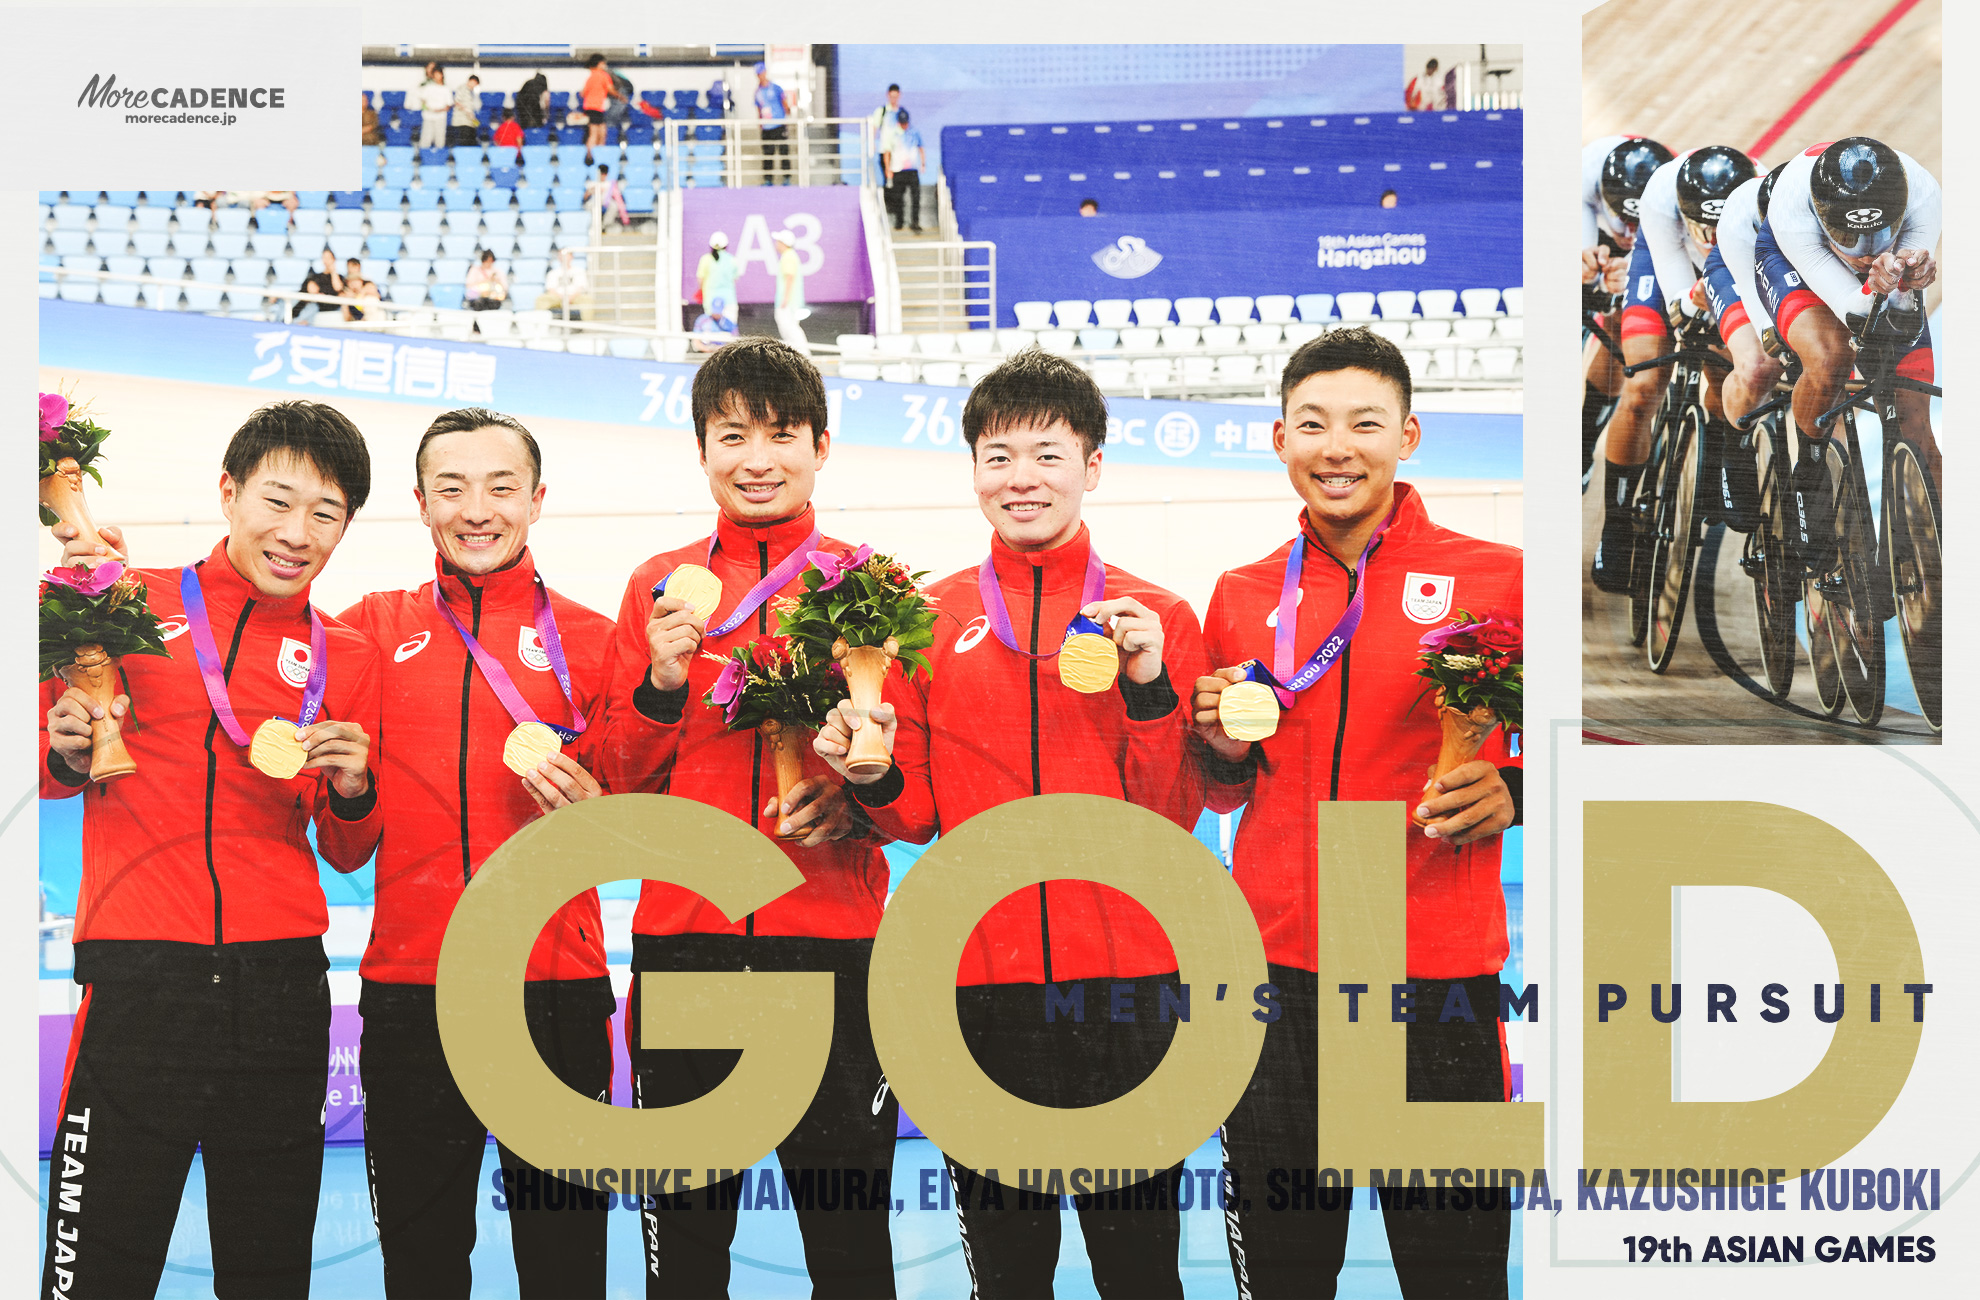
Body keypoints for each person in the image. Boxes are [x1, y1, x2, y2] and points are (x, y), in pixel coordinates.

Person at [815, 347, 1207, 1300]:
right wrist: (870, 775)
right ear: (973, 470)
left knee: (1141, 1268)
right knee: (1007, 1269)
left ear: (1094, 465)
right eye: (998, 456)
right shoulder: (928, 617)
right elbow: (913, 820)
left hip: (1129, 985)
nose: (1020, 479)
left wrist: (1151, 687)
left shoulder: (1155, 617)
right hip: (977, 985)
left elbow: (1173, 815)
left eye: (1047, 454)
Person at [1190, 328, 1522, 1298]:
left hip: (1435, 969)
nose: (1340, 447)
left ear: (1409, 434)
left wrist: (1521, 793)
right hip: (1277, 973)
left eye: (1365, 423)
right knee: (1285, 1275)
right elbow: (1224, 790)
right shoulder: (1243, 594)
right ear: (1280, 440)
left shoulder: (1498, 576)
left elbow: (1587, 750)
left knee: (1456, 1275)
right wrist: (1220, 745)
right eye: (1314, 424)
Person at [40, 401, 382, 1298]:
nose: (296, 533)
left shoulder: (345, 653)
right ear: (227, 494)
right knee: (96, 1267)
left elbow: (348, 851)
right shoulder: (118, 603)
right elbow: (47, 768)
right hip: (138, 977)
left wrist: (356, 790)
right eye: (277, 501)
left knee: (268, 1272)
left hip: (281, 988)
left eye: (326, 513)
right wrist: (62, 749)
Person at [602, 337, 898, 1298]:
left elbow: (916, 796)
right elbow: (616, 779)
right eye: (733, 435)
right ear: (701, 450)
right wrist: (659, 681)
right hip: (687, 948)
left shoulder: (871, 587)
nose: (757, 458)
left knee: (850, 1253)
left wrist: (857, 796)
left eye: (780, 435)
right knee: (685, 1259)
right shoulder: (657, 587)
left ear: (821, 446)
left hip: (834, 949)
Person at [334, 408, 624, 1299]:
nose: (477, 509)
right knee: (420, 1268)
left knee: (566, 1266)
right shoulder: (369, 631)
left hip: (556, 997)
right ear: (420, 505)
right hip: (414, 995)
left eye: (501, 487)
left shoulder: (593, 637)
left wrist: (597, 817)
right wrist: (352, 791)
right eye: (451, 489)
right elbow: (345, 850)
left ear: (537, 500)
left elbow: (625, 835)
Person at [1754, 136, 1939, 572]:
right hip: (1800, 261)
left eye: (1880, 232)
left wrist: (1911, 280)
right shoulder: (1793, 211)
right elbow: (1855, 312)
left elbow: (1900, 317)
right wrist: (1875, 285)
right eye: (1849, 235)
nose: (1865, 248)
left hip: (1882, 277)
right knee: (1833, 355)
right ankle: (1810, 471)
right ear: (1823, 216)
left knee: (1914, 424)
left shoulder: (1925, 195)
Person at [1590, 145, 1756, 593]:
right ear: (1685, 213)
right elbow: (1679, 298)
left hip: (1733, 265)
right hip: (1664, 263)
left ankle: (1721, 455)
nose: (1709, 236)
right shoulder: (1661, 196)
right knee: (1643, 385)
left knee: (1728, 371)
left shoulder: (1758, 199)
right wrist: (1689, 303)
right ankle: (1618, 526)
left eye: (1716, 227)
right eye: (1702, 227)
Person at [1581, 136, 1673, 480]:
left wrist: (1633, 267)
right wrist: (1585, 257)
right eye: (1624, 219)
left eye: (1636, 223)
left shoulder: (1667, 196)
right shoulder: (1582, 177)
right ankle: (1582, 441)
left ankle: (1585, 441)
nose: (1628, 232)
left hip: (1661, 235)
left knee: (1621, 326)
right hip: (1592, 223)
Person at [754, 61, 795, 186]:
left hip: (779, 124)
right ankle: (768, 180)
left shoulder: (776, 88)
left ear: (765, 73)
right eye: (758, 74)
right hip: (767, 128)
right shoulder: (757, 92)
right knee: (767, 154)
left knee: (783, 151)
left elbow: (784, 103)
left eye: (762, 72)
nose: (761, 75)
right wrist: (760, 123)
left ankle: (787, 178)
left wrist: (788, 111)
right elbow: (758, 109)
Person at [773, 228, 811, 355]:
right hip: (789, 301)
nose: (776, 244)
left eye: (778, 241)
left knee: (790, 328)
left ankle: (804, 355)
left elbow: (790, 277)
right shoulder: (789, 256)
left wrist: (785, 299)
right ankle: (799, 355)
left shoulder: (788, 256)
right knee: (789, 329)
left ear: (783, 243)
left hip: (788, 302)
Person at [886, 108, 925, 233]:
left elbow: (921, 147)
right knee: (898, 198)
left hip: (912, 170)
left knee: (916, 197)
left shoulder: (914, 132)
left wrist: (923, 163)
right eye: (902, 122)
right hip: (898, 170)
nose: (904, 125)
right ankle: (899, 221)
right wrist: (888, 168)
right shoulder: (893, 134)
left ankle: (915, 222)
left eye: (906, 122)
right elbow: (887, 152)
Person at [870, 83, 904, 205]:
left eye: (896, 96)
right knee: (887, 180)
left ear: (899, 95)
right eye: (891, 96)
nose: (894, 99)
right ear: (888, 95)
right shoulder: (882, 111)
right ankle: (888, 208)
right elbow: (874, 128)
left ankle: (897, 211)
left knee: (899, 182)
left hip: (899, 153)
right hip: (885, 151)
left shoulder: (902, 112)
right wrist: (872, 143)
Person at [537, 247, 591, 320]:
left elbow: (580, 288)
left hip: (575, 296)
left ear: (571, 257)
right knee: (541, 300)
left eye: (566, 255)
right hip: (557, 297)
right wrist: (562, 298)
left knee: (587, 301)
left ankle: (586, 327)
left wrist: (570, 298)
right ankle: (541, 325)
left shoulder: (579, 271)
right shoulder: (553, 273)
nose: (563, 258)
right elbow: (550, 289)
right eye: (561, 255)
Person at [694, 230, 739, 316]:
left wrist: (702, 290)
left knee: (712, 329)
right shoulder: (732, 260)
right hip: (729, 300)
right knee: (729, 328)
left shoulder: (705, 259)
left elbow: (700, 279)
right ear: (726, 246)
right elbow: (734, 279)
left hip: (710, 300)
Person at [293, 248, 342, 321]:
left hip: (323, 307)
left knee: (313, 307)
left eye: (329, 258)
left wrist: (333, 271)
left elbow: (338, 288)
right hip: (309, 304)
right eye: (324, 258)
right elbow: (309, 289)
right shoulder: (315, 277)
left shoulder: (339, 277)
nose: (326, 260)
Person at [580, 54, 612, 161]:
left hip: (589, 107)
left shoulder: (591, 76)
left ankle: (594, 155)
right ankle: (592, 157)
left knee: (600, 132)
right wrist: (620, 97)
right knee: (596, 133)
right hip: (597, 107)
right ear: (599, 64)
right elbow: (610, 89)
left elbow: (583, 93)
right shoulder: (603, 75)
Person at [417, 67, 453, 152]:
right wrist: (428, 108)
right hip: (428, 116)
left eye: (438, 74)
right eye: (435, 74)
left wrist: (439, 110)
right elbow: (423, 101)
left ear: (442, 75)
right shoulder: (428, 87)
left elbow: (449, 105)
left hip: (440, 117)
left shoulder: (446, 89)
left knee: (440, 139)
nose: (437, 76)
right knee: (426, 138)